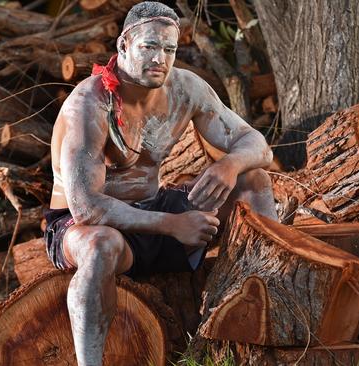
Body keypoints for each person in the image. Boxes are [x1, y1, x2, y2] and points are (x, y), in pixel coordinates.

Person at [45, 2, 277, 364]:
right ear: (123, 45)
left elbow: (257, 145)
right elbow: (87, 207)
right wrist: (174, 225)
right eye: (149, 47)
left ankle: (269, 319)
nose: (160, 58)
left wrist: (230, 164)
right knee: (101, 245)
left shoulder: (185, 89)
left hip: (154, 210)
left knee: (254, 180)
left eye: (169, 49)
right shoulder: (89, 104)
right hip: (83, 227)